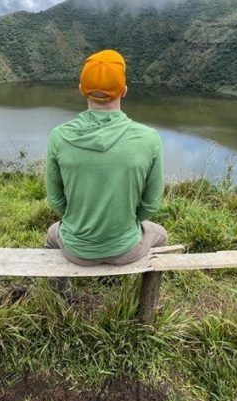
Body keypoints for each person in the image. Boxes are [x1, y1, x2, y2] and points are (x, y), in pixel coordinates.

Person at [44, 49, 167, 295]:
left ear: (81, 88)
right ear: (124, 90)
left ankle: (60, 294)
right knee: (160, 234)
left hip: (76, 250)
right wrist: (127, 223)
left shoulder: (59, 137)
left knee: (52, 234)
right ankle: (146, 299)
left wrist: (78, 220)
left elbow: (56, 199)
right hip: (126, 249)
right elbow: (151, 205)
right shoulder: (149, 139)